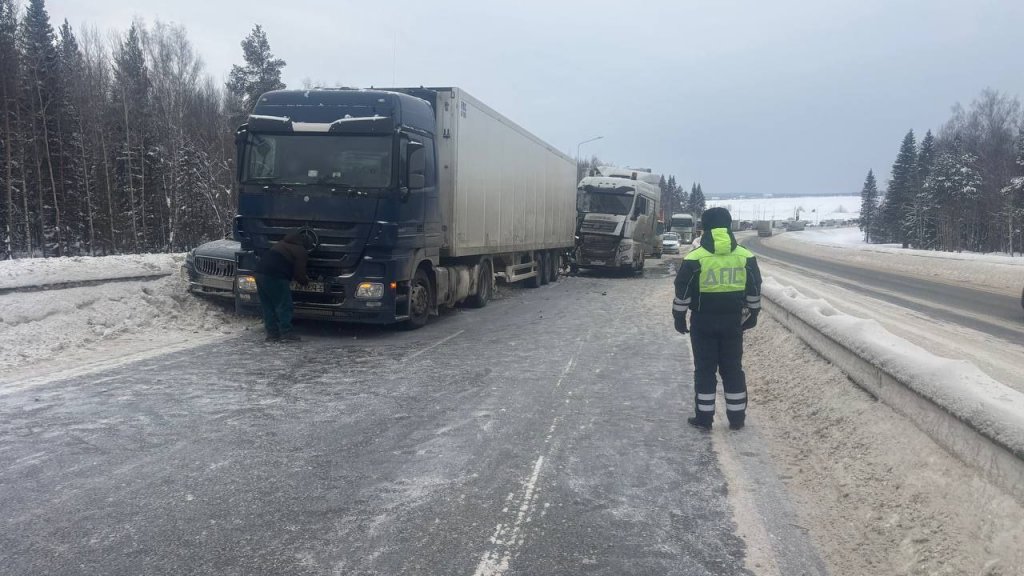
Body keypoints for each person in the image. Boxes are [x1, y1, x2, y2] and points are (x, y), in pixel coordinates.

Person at [672, 207, 762, 430]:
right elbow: (754, 290)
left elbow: (683, 293)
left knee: (705, 370)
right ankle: (737, 418)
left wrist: (679, 317)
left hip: (703, 323)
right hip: (733, 323)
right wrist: (753, 314)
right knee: (733, 369)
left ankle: (704, 418)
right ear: (729, 226)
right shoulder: (745, 257)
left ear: (705, 228)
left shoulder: (695, 258)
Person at [255, 231, 312, 342]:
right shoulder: (301, 251)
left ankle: (272, 334)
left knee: (268, 305)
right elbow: (299, 273)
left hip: (259, 273)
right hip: (276, 276)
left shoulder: (281, 243)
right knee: (284, 304)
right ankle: (287, 333)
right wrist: (305, 282)